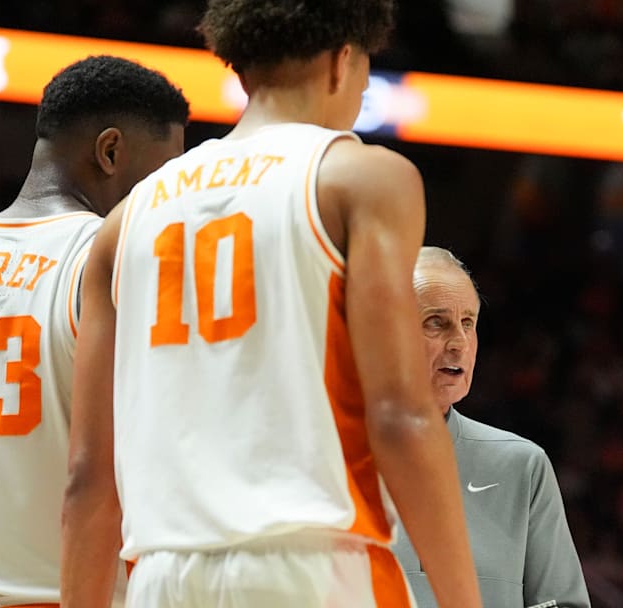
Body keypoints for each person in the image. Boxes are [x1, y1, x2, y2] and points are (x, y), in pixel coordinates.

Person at [60, 2, 482, 607]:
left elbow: (89, 479)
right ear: (342, 63)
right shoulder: (361, 177)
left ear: (242, 68)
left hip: (160, 574)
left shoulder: (123, 223)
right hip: (310, 565)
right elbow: (403, 418)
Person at [0, 55, 188, 606]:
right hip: (63, 593)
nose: (166, 201)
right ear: (110, 152)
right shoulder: (111, 264)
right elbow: (112, 475)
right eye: (162, 176)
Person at [392, 246, 591, 607]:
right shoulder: (317, 460)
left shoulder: (522, 466)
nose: (459, 344)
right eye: (436, 322)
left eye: (468, 323)